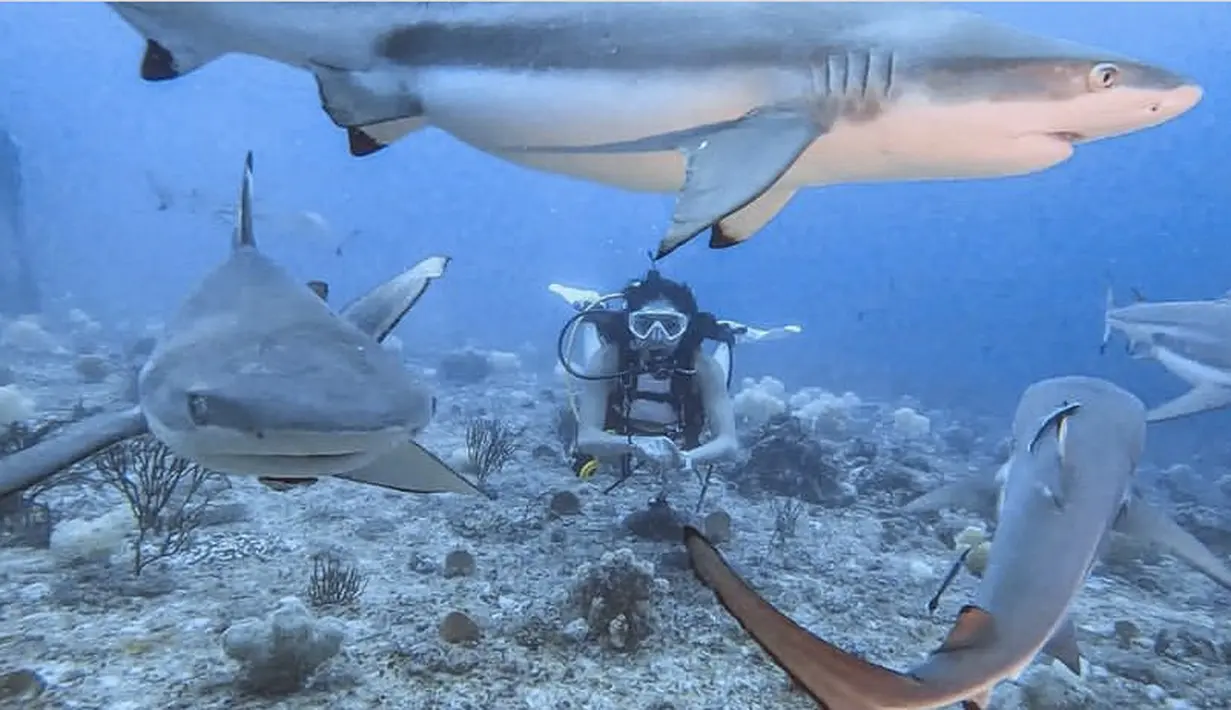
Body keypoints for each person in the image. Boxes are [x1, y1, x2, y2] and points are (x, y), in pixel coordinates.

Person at [556, 269, 739, 489]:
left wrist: (689, 458)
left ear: (687, 327)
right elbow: (586, 439)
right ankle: (592, 315)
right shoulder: (609, 360)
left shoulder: (704, 368)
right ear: (630, 326)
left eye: (671, 326)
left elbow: (729, 443)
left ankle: (729, 338)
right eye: (644, 325)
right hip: (626, 424)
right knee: (594, 360)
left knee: (720, 368)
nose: (657, 337)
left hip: (679, 425)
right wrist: (636, 444)